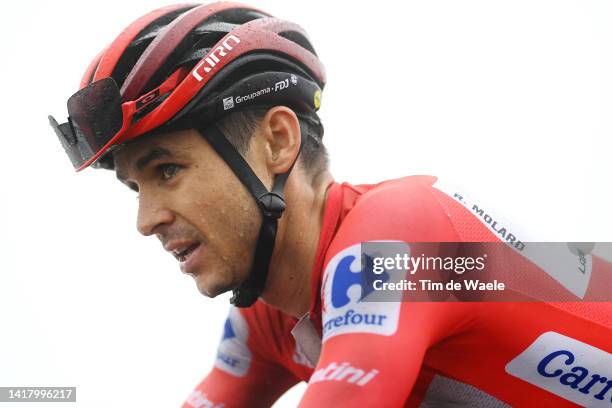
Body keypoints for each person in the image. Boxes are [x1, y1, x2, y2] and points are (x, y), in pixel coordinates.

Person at [49, 3, 612, 407]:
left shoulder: (392, 241)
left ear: (277, 141)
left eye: (167, 170)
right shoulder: (266, 318)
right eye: (134, 188)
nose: (146, 221)